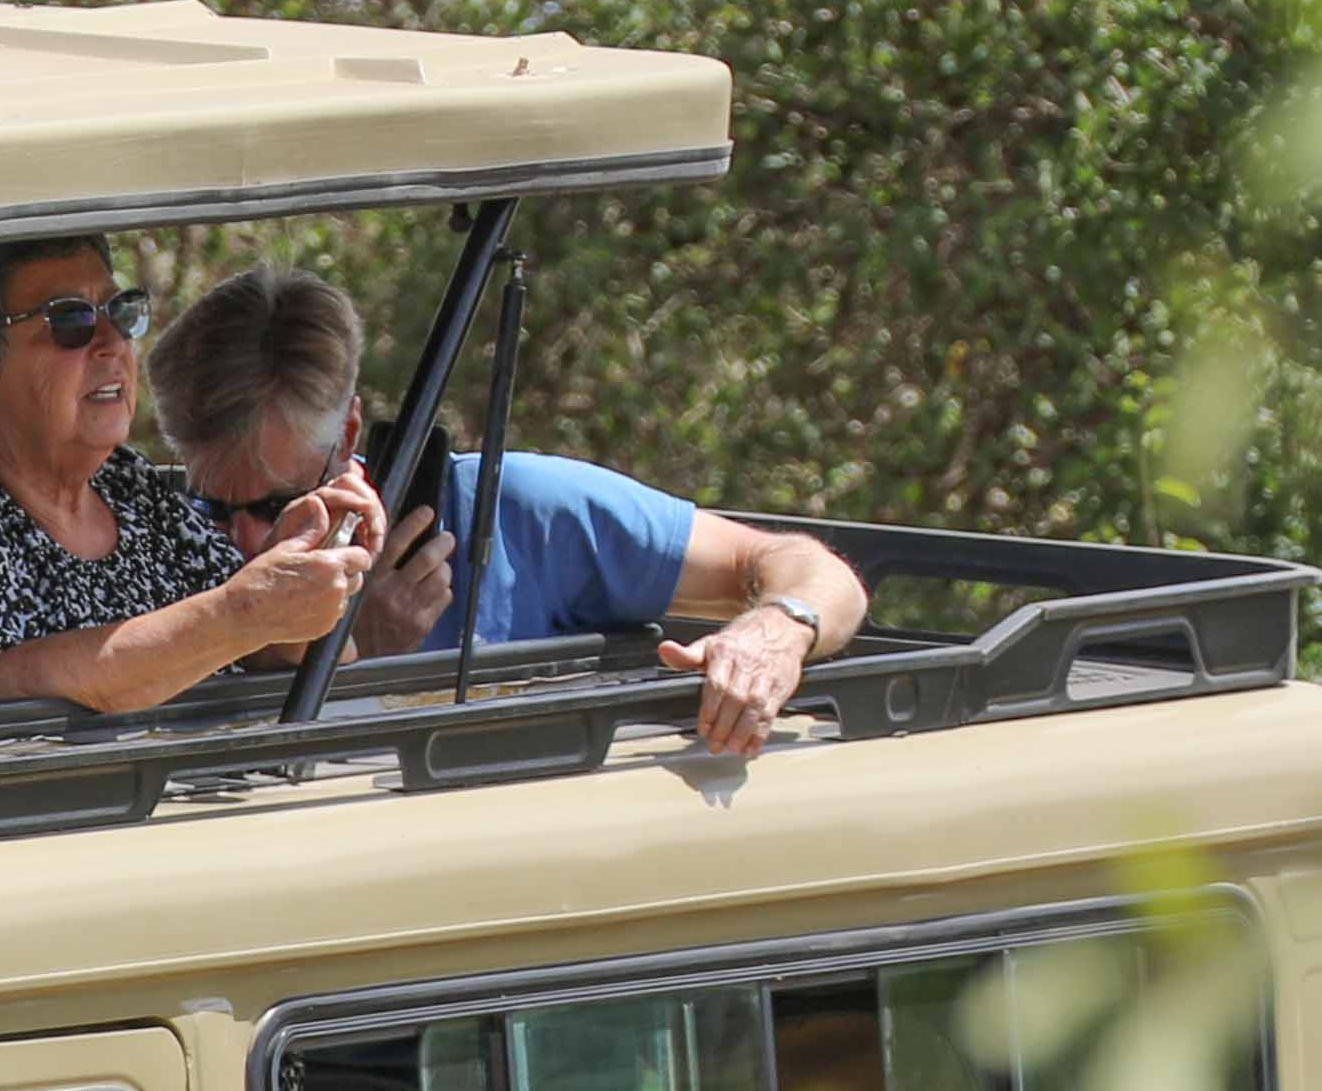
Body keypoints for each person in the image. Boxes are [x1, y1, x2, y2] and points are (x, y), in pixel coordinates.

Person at [146, 264, 872, 762]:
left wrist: (777, 633)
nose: (246, 541)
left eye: (277, 505)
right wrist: (352, 657)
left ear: (349, 438)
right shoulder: (144, 547)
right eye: (212, 505)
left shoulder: (521, 510)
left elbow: (805, 568)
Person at [0, 234, 384, 755]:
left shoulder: (128, 487)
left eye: (120, 311)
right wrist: (246, 610)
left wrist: (306, 558)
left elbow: (262, 651)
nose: (112, 343)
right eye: (70, 321)